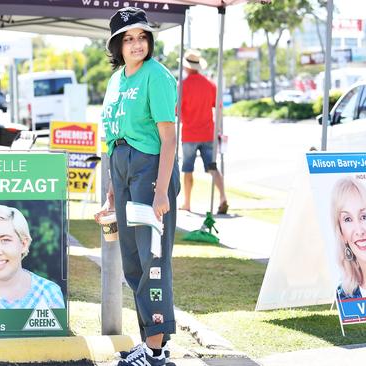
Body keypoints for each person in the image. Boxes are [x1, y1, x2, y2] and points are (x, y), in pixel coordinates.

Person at [94, 7, 180, 366]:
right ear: (116, 44)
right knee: (132, 262)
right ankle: (150, 343)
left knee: (153, 260)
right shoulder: (117, 80)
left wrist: (160, 191)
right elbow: (113, 137)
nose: (136, 44)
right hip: (123, 168)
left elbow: (169, 139)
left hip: (150, 172)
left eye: (141, 36)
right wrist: (113, 188)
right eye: (128, 38)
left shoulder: (156, 77)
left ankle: (156, 348)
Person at [178, 49, 228, 215]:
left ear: (186, 67)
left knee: (187, 169)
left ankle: (187, 202)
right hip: (208, 132)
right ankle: (222, 197)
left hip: (190, 134)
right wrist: (219, 130)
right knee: (213, 167)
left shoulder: (182, 86)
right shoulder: (209, 84)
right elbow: (219, 107)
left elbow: (176, 110)